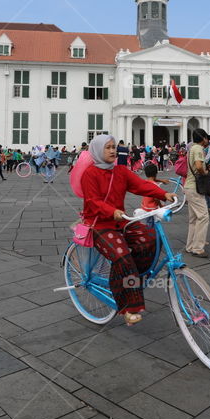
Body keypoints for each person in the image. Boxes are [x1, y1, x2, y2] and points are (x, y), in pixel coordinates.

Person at [78, 134, 176, 325]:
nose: (113, 150)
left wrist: (163, 194)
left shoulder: (121, 171)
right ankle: (129, 307)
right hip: (99, 225)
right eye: (107, 147)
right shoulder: (90, 174)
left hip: (121, 222)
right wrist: (110, 211)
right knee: (123, 256)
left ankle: (130, 279)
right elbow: (92, 201)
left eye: (114, 147)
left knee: (148, 239)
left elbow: (141, 185)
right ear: (97, 150)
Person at [184, 128, 210, 258]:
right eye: (206, 137)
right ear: (203, 138)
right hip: (195, 187)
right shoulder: (199, 149)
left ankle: (190, 246)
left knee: (194, 219)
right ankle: (198, 248)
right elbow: (199, 166)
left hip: (188, 186)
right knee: (203, 216)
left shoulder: (191, 148)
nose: (207, 140)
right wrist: (205, 173)